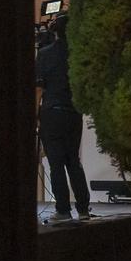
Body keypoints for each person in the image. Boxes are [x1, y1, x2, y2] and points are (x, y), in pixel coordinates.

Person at [36, 15, 92, 223]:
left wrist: (35, 117)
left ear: (55, 32)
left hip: (52, 112)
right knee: (73, 162)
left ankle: (63, 210)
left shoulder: (45, 54)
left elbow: (39, 88)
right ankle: (84, 209)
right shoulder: (79, 55)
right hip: (73, 113)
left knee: (56, 163)